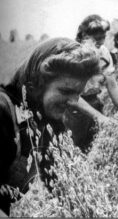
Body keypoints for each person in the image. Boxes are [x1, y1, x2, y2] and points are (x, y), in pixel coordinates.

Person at [0, 37, 100, 216]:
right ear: (36, 85)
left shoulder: (49, 121)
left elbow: (62, 186)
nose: (74, 102)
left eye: (78, 93)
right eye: (66, 91)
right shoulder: (3, 111)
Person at [65, 15, 118, 148]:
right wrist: (99, 117)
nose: (100, 42)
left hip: (94, 102)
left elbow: (112, 85)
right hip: (75, 109)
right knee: (75, 149)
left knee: (95, 147)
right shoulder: (74, 54)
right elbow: (72, 96)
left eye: (103, 37)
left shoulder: (104, 52)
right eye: (96, 38)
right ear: (83, 36)